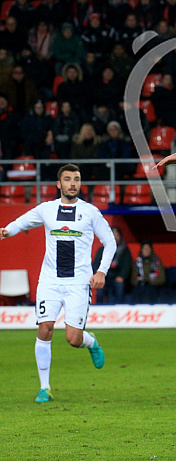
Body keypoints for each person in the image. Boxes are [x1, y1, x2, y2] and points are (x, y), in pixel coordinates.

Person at [0, 164, 115, 403]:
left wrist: (102, 271)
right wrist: (7, 231)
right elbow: (22, 222)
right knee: (44, 329)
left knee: (73, 339)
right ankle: (45, 388)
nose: (73, 183)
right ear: (58, 184)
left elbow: (110, 242)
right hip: (50, 280)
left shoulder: (91, 212)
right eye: (68, 179)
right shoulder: (47, 210)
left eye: (76, 179)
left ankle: (90, 341)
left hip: (78, 283)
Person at [93, 226, 131, 303]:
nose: (115, 238)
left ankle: (119, 309)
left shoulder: (125, 250)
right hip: (104, 276)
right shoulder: (102, 249)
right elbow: (95, 264)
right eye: (113, 235)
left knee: (119, 286)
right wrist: (99, 274)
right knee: (99, 289)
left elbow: (126, 266)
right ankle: (98, 309)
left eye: (117, 235)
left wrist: (121, 276)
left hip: (117, 277)